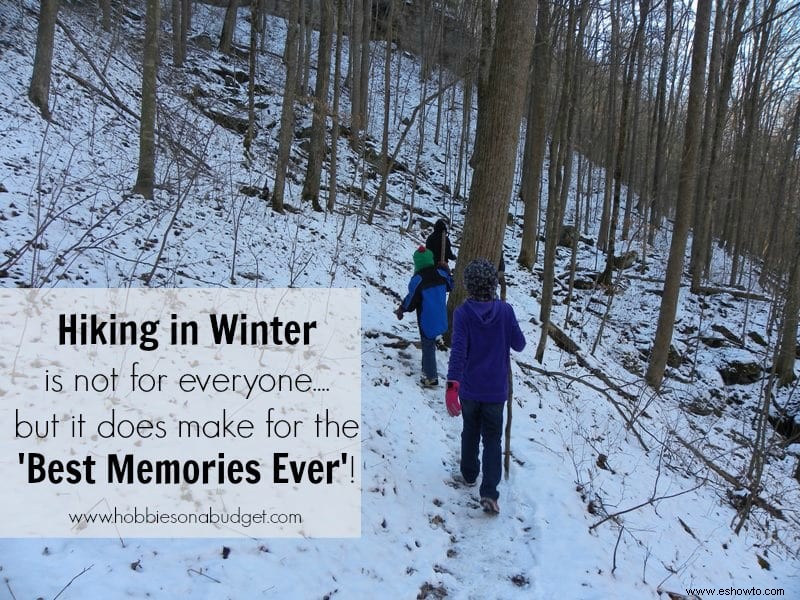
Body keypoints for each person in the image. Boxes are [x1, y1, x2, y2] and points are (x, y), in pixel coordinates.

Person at [445, 258, 526, 514]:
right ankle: (490, 492)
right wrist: (507, 323)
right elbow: (520, 344)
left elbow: (458, 352)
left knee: (470, 430)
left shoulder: (462, 314)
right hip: (495, 390)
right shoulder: (505, 311)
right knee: (492, 438)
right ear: (492, 285)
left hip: (470, 389)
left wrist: (452, 386)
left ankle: (469, 473)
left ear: (468, 286)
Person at [395, 246, 453, 387]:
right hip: (441, 318)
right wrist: (447, 270)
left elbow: (411, 300)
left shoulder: (418, 280)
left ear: (417, 263)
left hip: (427, 319)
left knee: (428, 346)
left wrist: (402, 309)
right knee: (430, 345)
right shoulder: (441, 274)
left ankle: (431, 377)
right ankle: (426, 369)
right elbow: (451, 285)